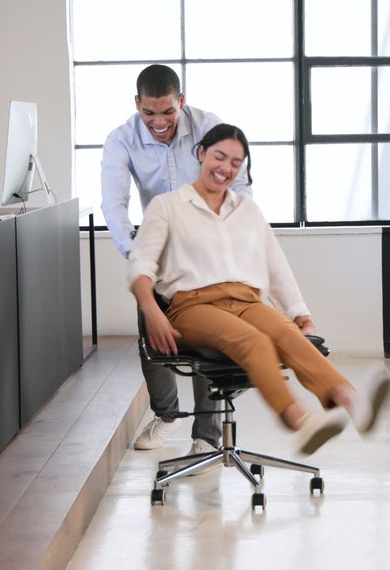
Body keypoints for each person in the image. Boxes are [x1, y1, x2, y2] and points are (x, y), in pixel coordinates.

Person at [129, 123, 390, 455]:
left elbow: (274, 263)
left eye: (236, 162)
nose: (225, 168)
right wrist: (152, 311)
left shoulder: (246, 210)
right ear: (201, 154)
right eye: (219, 157)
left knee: (285, 331)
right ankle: (300, 420)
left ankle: (352, 402)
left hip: (244, 298)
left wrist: (301, 313)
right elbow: (140, 267)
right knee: (252, 340)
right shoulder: (167, 206)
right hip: (192, 306)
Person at [101, 64, 251, 457]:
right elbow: (114, 204)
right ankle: (166, 414)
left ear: (180, 101)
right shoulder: (121, 140)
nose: (159, 122)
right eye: (149, 113)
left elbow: (241, 186)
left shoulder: (208, 128)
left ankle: (207, 435)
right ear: (138, 105)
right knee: (154, 339)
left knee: (207, 342)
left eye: (167, 112)